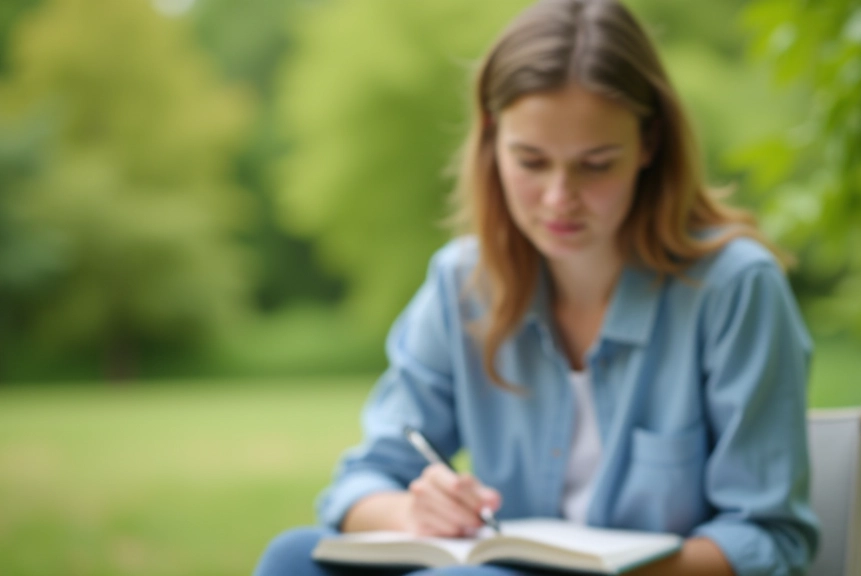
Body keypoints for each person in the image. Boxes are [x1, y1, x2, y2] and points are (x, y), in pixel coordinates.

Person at [254, 0, 818, 575]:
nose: (558, 199)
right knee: (292, 559)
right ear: (493, 144)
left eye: (596, 164)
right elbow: (361, 482)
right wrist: (416, 512)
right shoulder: (463, 283)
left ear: (649, 144)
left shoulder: (733, 289)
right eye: (530, 161)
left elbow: (770, 539)